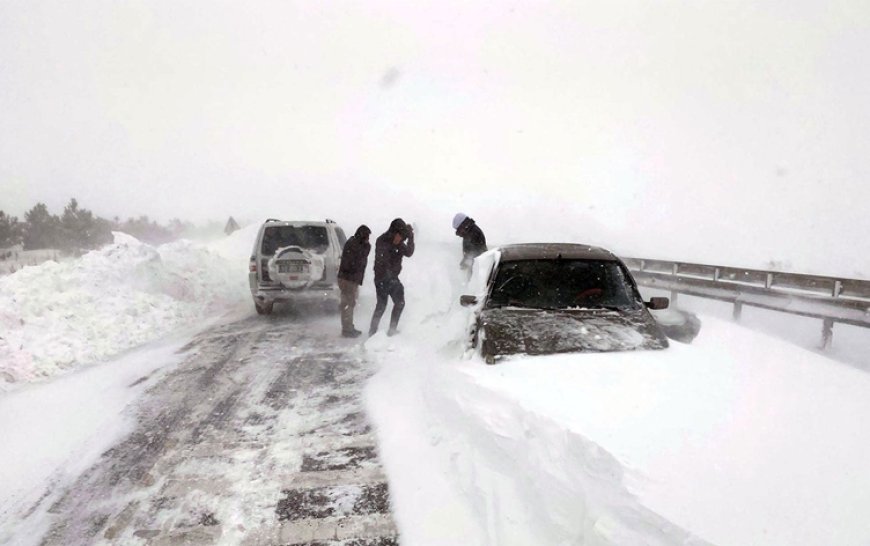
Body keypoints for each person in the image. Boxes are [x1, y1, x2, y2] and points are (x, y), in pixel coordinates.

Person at [369, 218, 414, 336]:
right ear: (393, 232)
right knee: (381, 305)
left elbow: (409, 252)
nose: (400, 238)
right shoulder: (382, 241)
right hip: (381, 278)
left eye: (401, 236)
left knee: (400, 303)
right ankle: (372, 332)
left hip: (393, 277)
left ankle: (392, 330)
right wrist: (391, 278)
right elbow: (383, 262)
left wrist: (410, 237)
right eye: (398, 235)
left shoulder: (399, 243)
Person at [337, 225, 372, 337]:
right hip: (348, 279)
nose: (368, 240)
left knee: (349, 303)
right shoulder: (354, 245)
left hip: (348, 279)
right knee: (348, 303)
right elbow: (354, 262)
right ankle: (347, 330)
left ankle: (348, 327)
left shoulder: (355, 243)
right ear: (362, 236)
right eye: (367, 237)